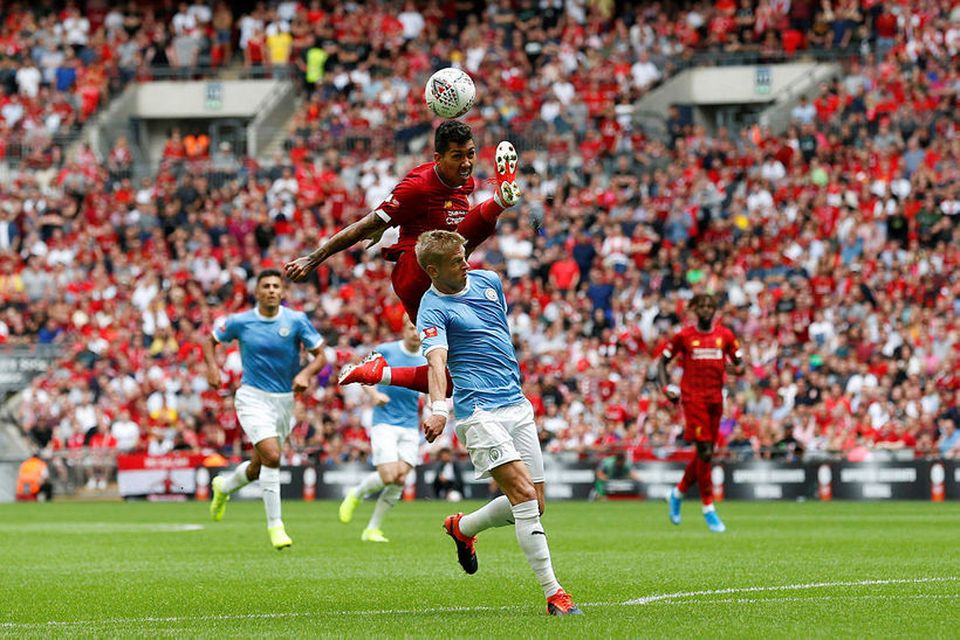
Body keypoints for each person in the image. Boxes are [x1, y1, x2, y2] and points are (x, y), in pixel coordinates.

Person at [414, 229, 582, 616]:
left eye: (464, 253)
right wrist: (439, 408)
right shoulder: (432, 309)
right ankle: (555, 594)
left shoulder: (490, 282)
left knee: (536, 505)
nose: (466, 261)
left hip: (516, 404)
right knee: (523, 496)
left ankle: (463, 528)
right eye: (457, 260)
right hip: (479, 411)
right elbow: (437, 362)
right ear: (433, 269)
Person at [284, 121, 520, 394]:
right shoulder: (417, 187)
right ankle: (499, 201)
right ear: (438, 158)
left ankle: (379, 372)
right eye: (457, 156)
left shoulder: (463, 181)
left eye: (470, 153)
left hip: (441, 275)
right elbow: (364, 224)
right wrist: (313, 259)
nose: (466, 163)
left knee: (454, 379)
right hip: (415, 270)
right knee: (453, 246)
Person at [203, 269, 326, 550]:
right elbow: (210, 341)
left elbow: (321, 355)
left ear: (282, 292)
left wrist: (307, 374)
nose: (271, 290)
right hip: (252, 397)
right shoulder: (241, 321)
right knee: (272, 455)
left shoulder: (296, 320)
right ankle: (276, 527)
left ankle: (224, 487)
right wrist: (212, 366)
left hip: (284, 401)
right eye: (266, 286)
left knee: (260, 466)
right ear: (257, 292)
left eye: (276, 286)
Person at [658, 292, 745, 533]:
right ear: (694, 309)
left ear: (715, 310)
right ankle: (708, 508)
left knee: (706, 452)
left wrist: (735, 368)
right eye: (702, 306)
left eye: (710, 305)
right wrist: (666, 388)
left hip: (716, 399)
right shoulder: (684, 336)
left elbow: (741, 365)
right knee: (705, 450)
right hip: (693, 399)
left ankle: (677, 493)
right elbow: (662, 362)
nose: (706, 309)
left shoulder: (725, 336)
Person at [338, 315, 425, 542]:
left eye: (419, 329)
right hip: (384, 422)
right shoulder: (386, 349)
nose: (415, 333)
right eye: (410, 328)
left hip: (409, 425)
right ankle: (356, 493)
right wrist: (374, 394)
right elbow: (360, 371)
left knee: (400, 478)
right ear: (403, 329)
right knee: (388, 476)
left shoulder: (428, 355)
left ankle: (372, 529)